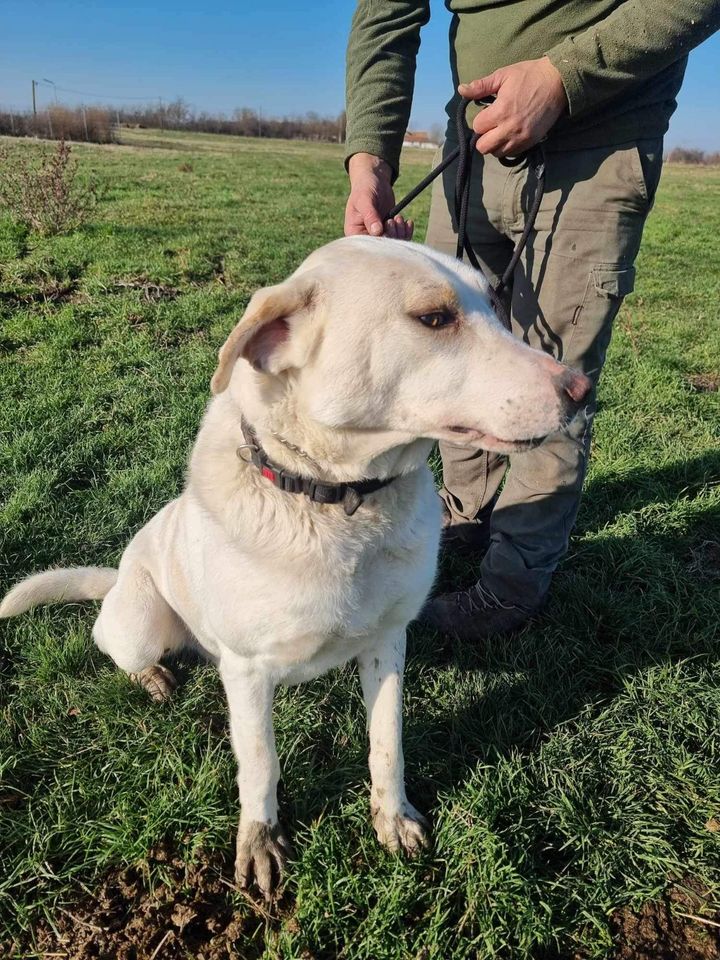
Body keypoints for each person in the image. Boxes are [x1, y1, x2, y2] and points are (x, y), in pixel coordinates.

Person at [344, 0, 720, 640]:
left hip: (597, 148)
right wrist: (369, 161)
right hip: (467, 155)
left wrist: (564, 77)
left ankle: (511, 588)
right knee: (456, 360)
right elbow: (385, 16)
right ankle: (467, 513)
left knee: (551, 382)